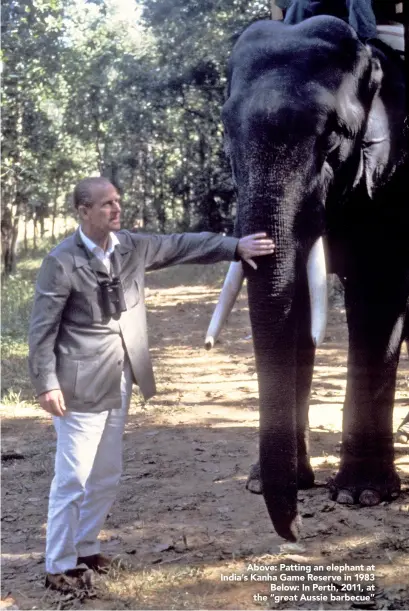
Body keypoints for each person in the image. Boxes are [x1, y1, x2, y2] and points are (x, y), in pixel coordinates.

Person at [28, 176, 275, 592]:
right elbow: (41, 331)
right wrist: (45, 384)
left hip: (119, 378)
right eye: (106, 204)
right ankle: (59, 566)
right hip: (77, 386)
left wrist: (233, 246)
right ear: (83, 211)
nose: (115, 209)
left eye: (117, 201)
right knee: (73, 476)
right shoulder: (61, 261)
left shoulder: (130, 246)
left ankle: (86, 547)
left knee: (106, 473)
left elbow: (181, 245)